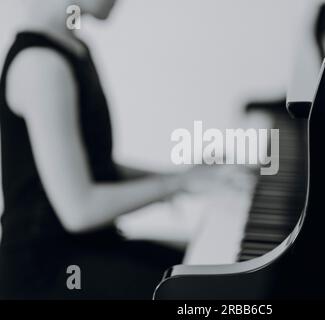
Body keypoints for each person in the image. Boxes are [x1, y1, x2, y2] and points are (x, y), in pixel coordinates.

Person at [0, 0, 234, 299]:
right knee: (211, 291)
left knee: (213, 262)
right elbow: (79, 210)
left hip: (91, 250)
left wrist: (184, 178)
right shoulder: (41, 65)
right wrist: (176, 184)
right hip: (49, 273)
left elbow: (95, 169)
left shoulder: (72, 48)